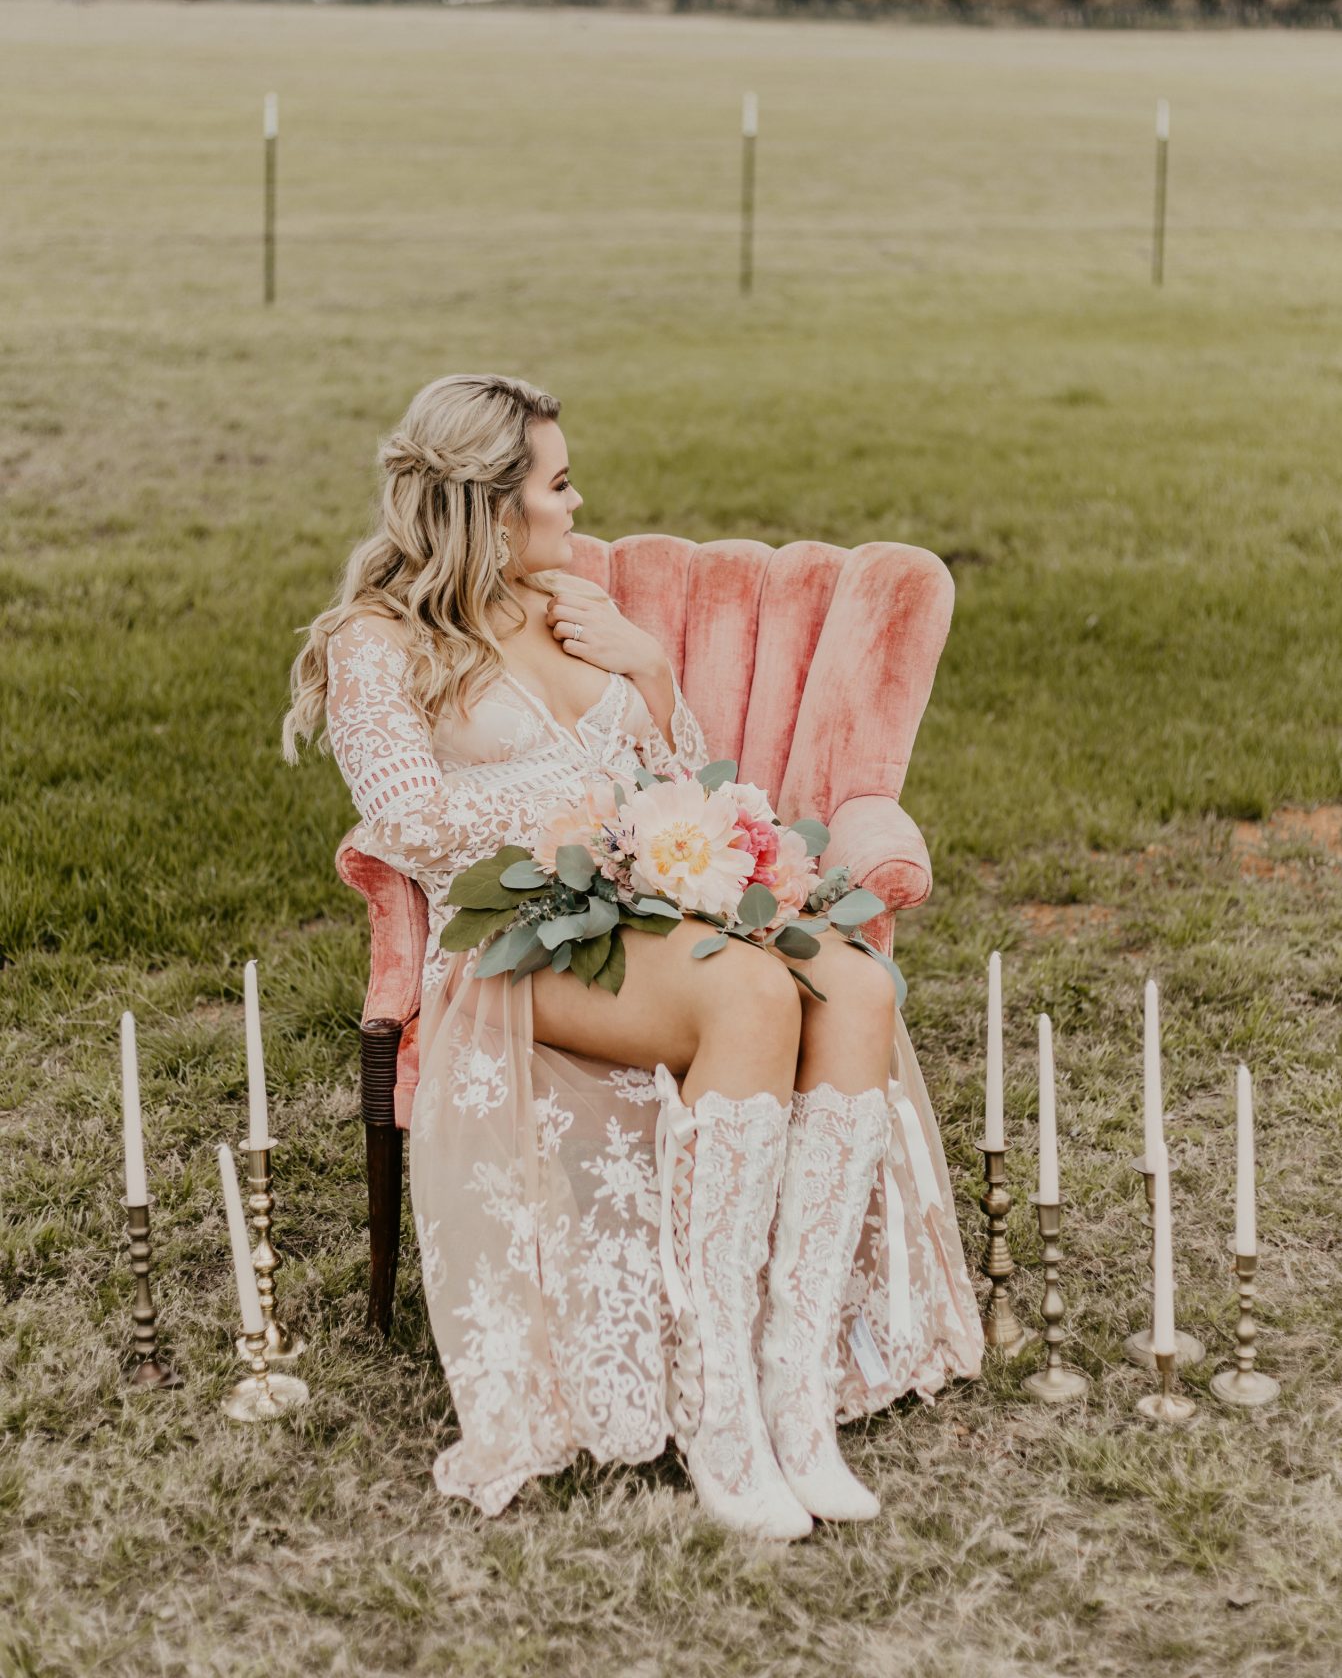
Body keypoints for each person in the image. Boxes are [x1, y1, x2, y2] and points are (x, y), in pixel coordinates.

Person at [283, 373, 983, 1540]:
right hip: (520, 935)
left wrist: (650, 673)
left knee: (855, 985)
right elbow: (402, 816)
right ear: (492, 506)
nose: (576, 503)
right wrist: (570, 831)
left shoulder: (568, 601)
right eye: (556, 484)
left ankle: (793, 1389)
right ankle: (717, 1406)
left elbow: (683, 773)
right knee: (754, 989)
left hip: (653, 905)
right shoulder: (378, 640)